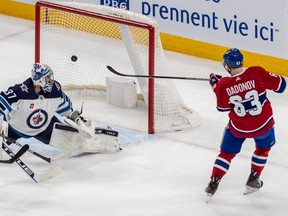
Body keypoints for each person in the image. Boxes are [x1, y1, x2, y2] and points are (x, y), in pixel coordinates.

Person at [205, 48, 286, 198]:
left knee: (226, 154)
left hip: (239, 128)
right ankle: (253, 178)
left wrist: (216, 86)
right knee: (262, 149)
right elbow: (282, 86)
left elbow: (222, 108)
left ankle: (214, 182)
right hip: (263, 125)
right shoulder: (256, 73)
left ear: (227, 66)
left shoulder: (224, 84)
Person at [0, 63, 120, 157]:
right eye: (47, 77)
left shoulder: (55, 90)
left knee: (74, 139)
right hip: (14, 129)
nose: (50, 80)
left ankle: (108, 140)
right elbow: (2, 101)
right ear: (39, 80)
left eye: (50, 76)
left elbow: (66, 109)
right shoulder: (21, 91)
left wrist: (76, 118)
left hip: (44, 129)